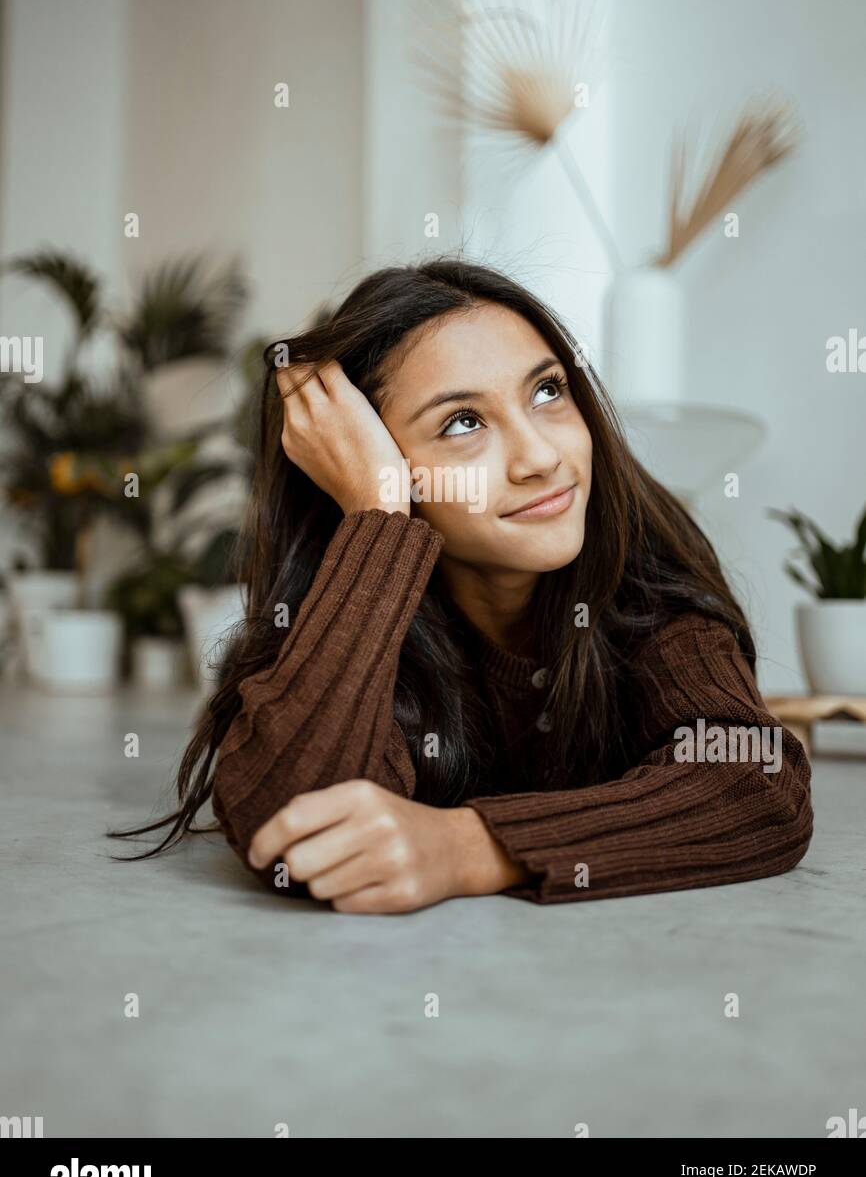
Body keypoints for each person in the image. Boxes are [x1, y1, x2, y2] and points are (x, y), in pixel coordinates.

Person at [108, 257, 813, 911]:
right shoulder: (358, 607)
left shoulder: (643, 579)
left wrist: (470, 849)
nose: (541, 456)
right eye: (463, 422)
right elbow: (293, 828)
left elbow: (755, 785)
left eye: (547, 390)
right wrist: (379, 515)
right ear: (364, 462)